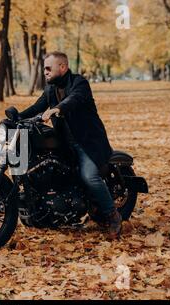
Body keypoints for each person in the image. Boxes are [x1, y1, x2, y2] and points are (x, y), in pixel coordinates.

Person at [19, 51, 122, 240]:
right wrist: (15, 118)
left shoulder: (79, 83)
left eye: (48, 68)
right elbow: (36, 107)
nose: (45, 72)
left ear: (63, 67)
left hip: (87, 143)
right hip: (64, 144)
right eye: (44, 68)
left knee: (89, 176)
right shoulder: (51, 89)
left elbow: (73, 99)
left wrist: (57, 109)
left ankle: (112, 214)